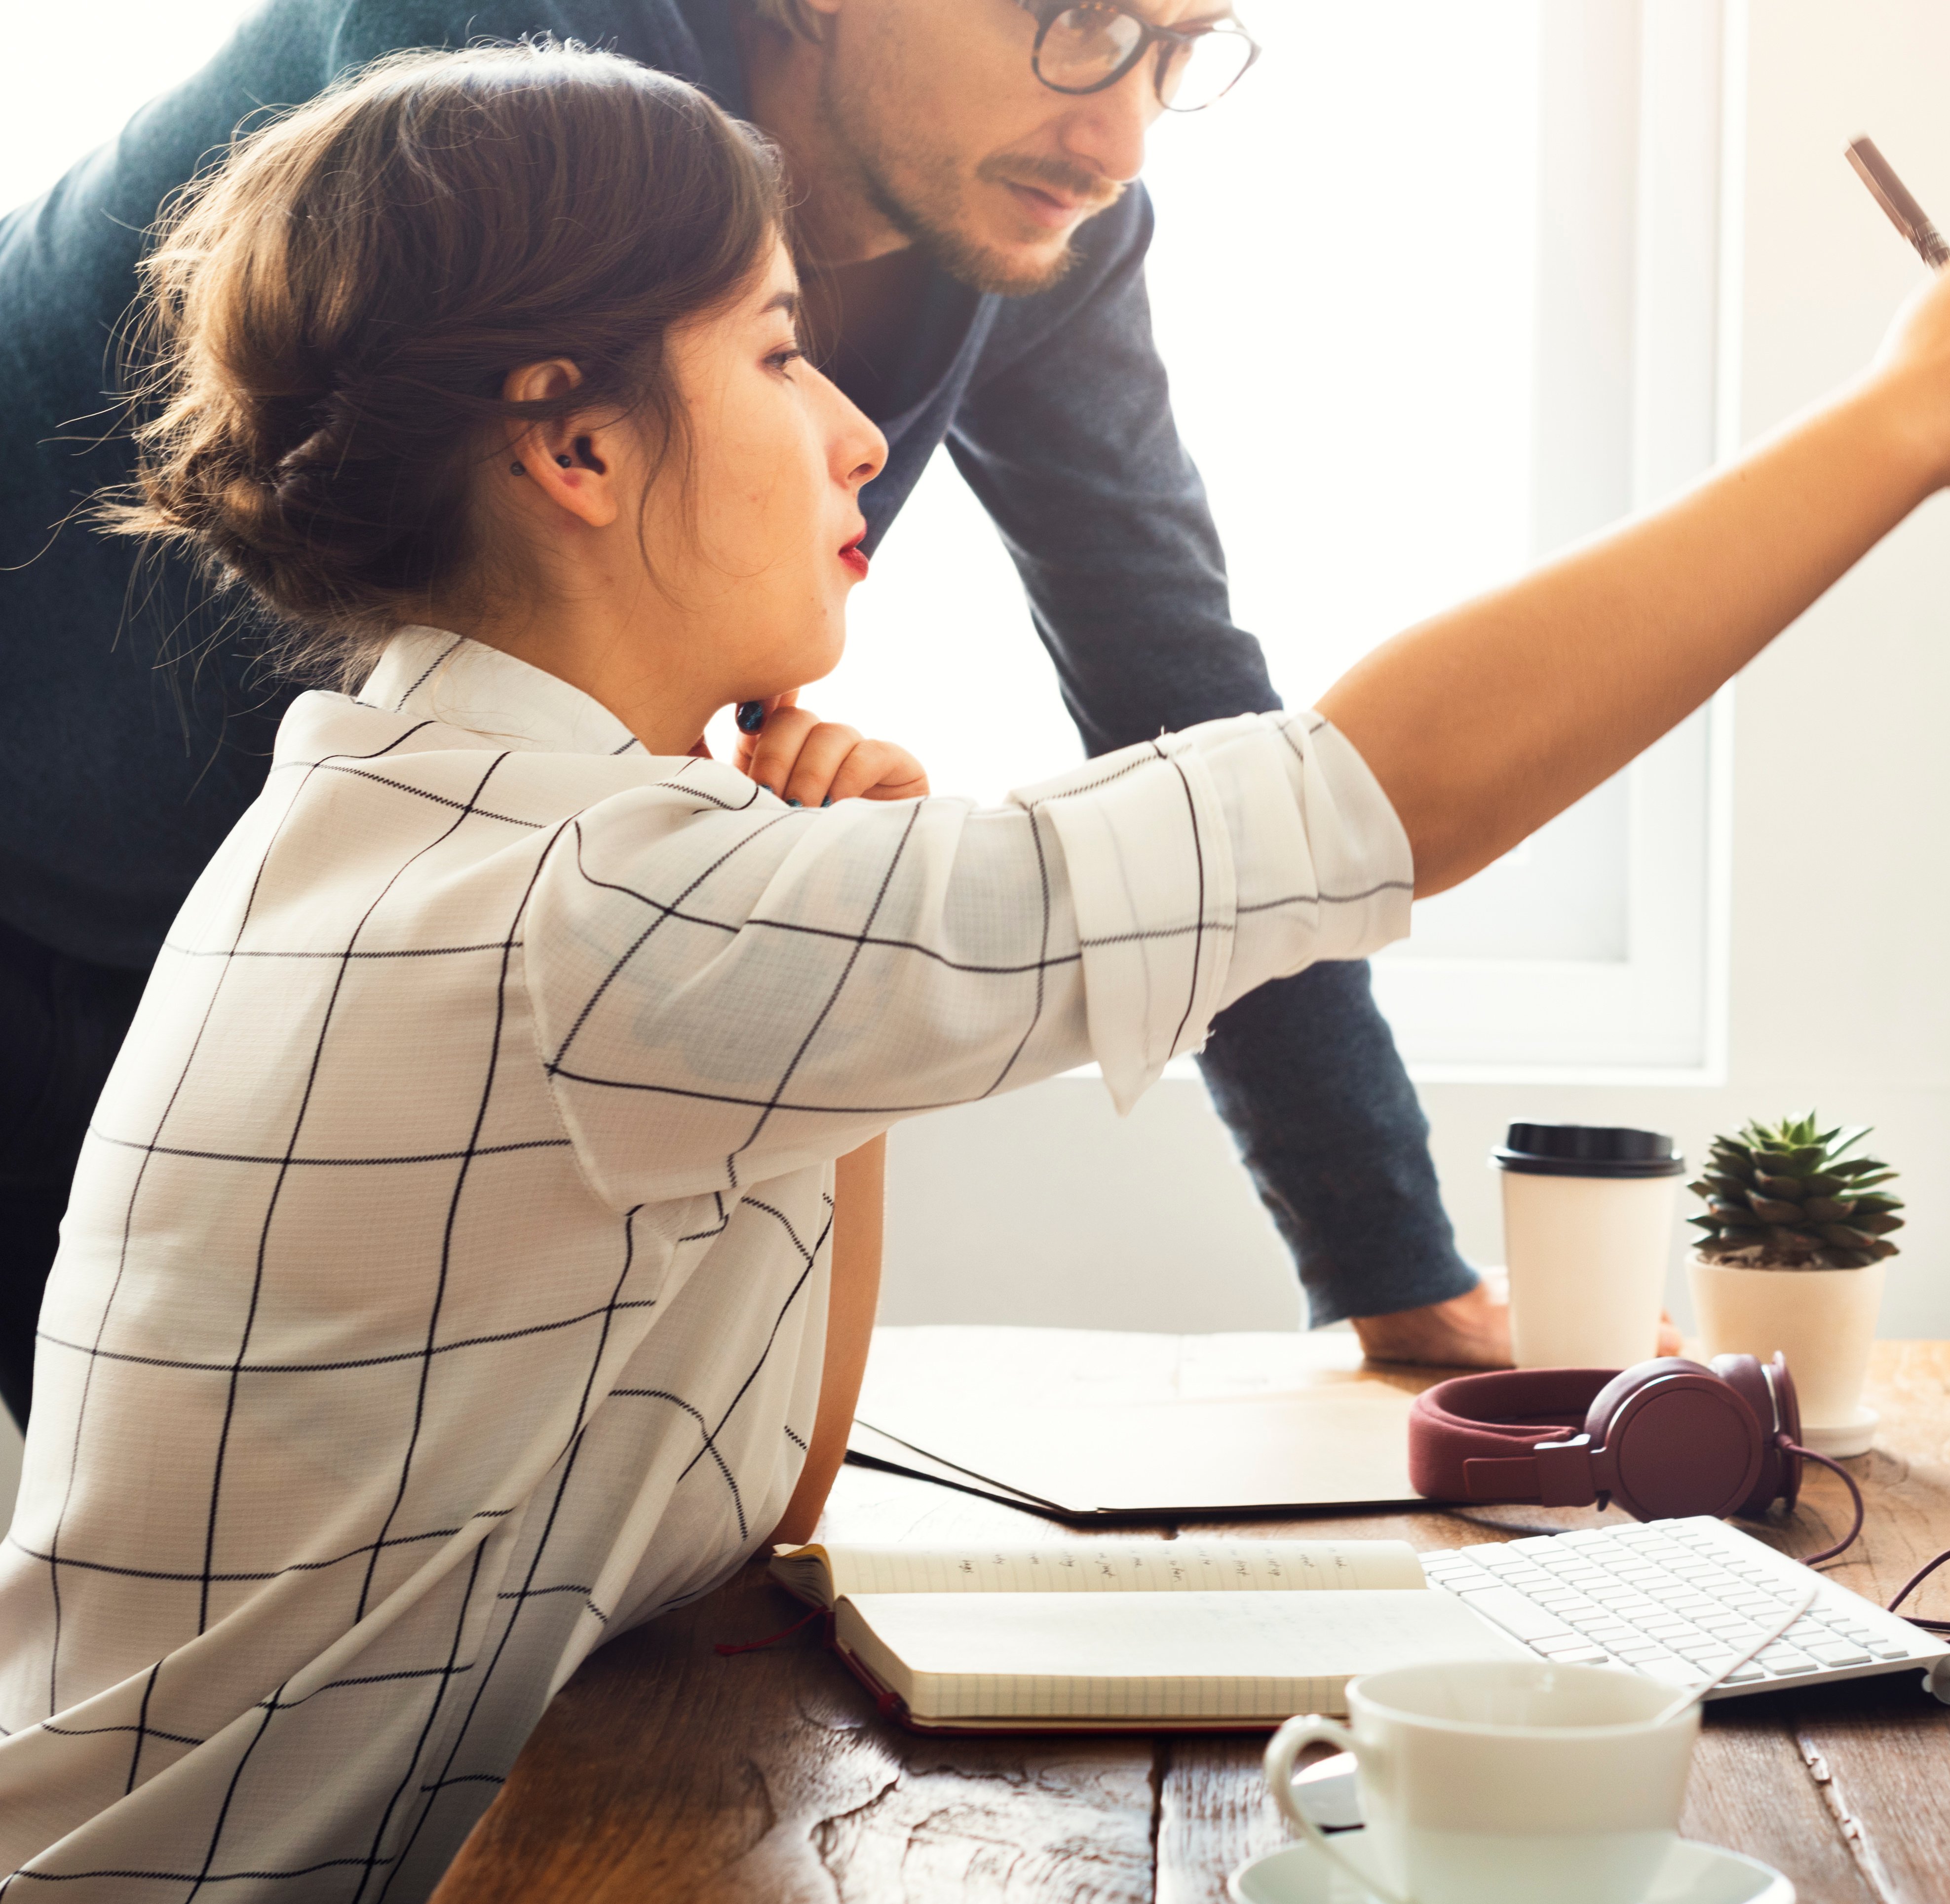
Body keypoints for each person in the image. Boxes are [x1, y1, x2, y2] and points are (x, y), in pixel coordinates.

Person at [0, 43, 1950, 1894]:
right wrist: (1897, 429)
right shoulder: (579, 907)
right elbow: (1371, 797)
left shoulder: (442, 810)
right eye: (771, 350)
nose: (855, 433)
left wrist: (822, 924)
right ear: (573, 447)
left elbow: (765, 1491)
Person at [0, 0, 1520, 1437]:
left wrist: (1396, 1271)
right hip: (97, 843)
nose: (1119, 139)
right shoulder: (529, 105)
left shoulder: (1033, 212)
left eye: (1176, 45)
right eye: (1076, 21)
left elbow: (1173, 673)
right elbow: (476, 663)